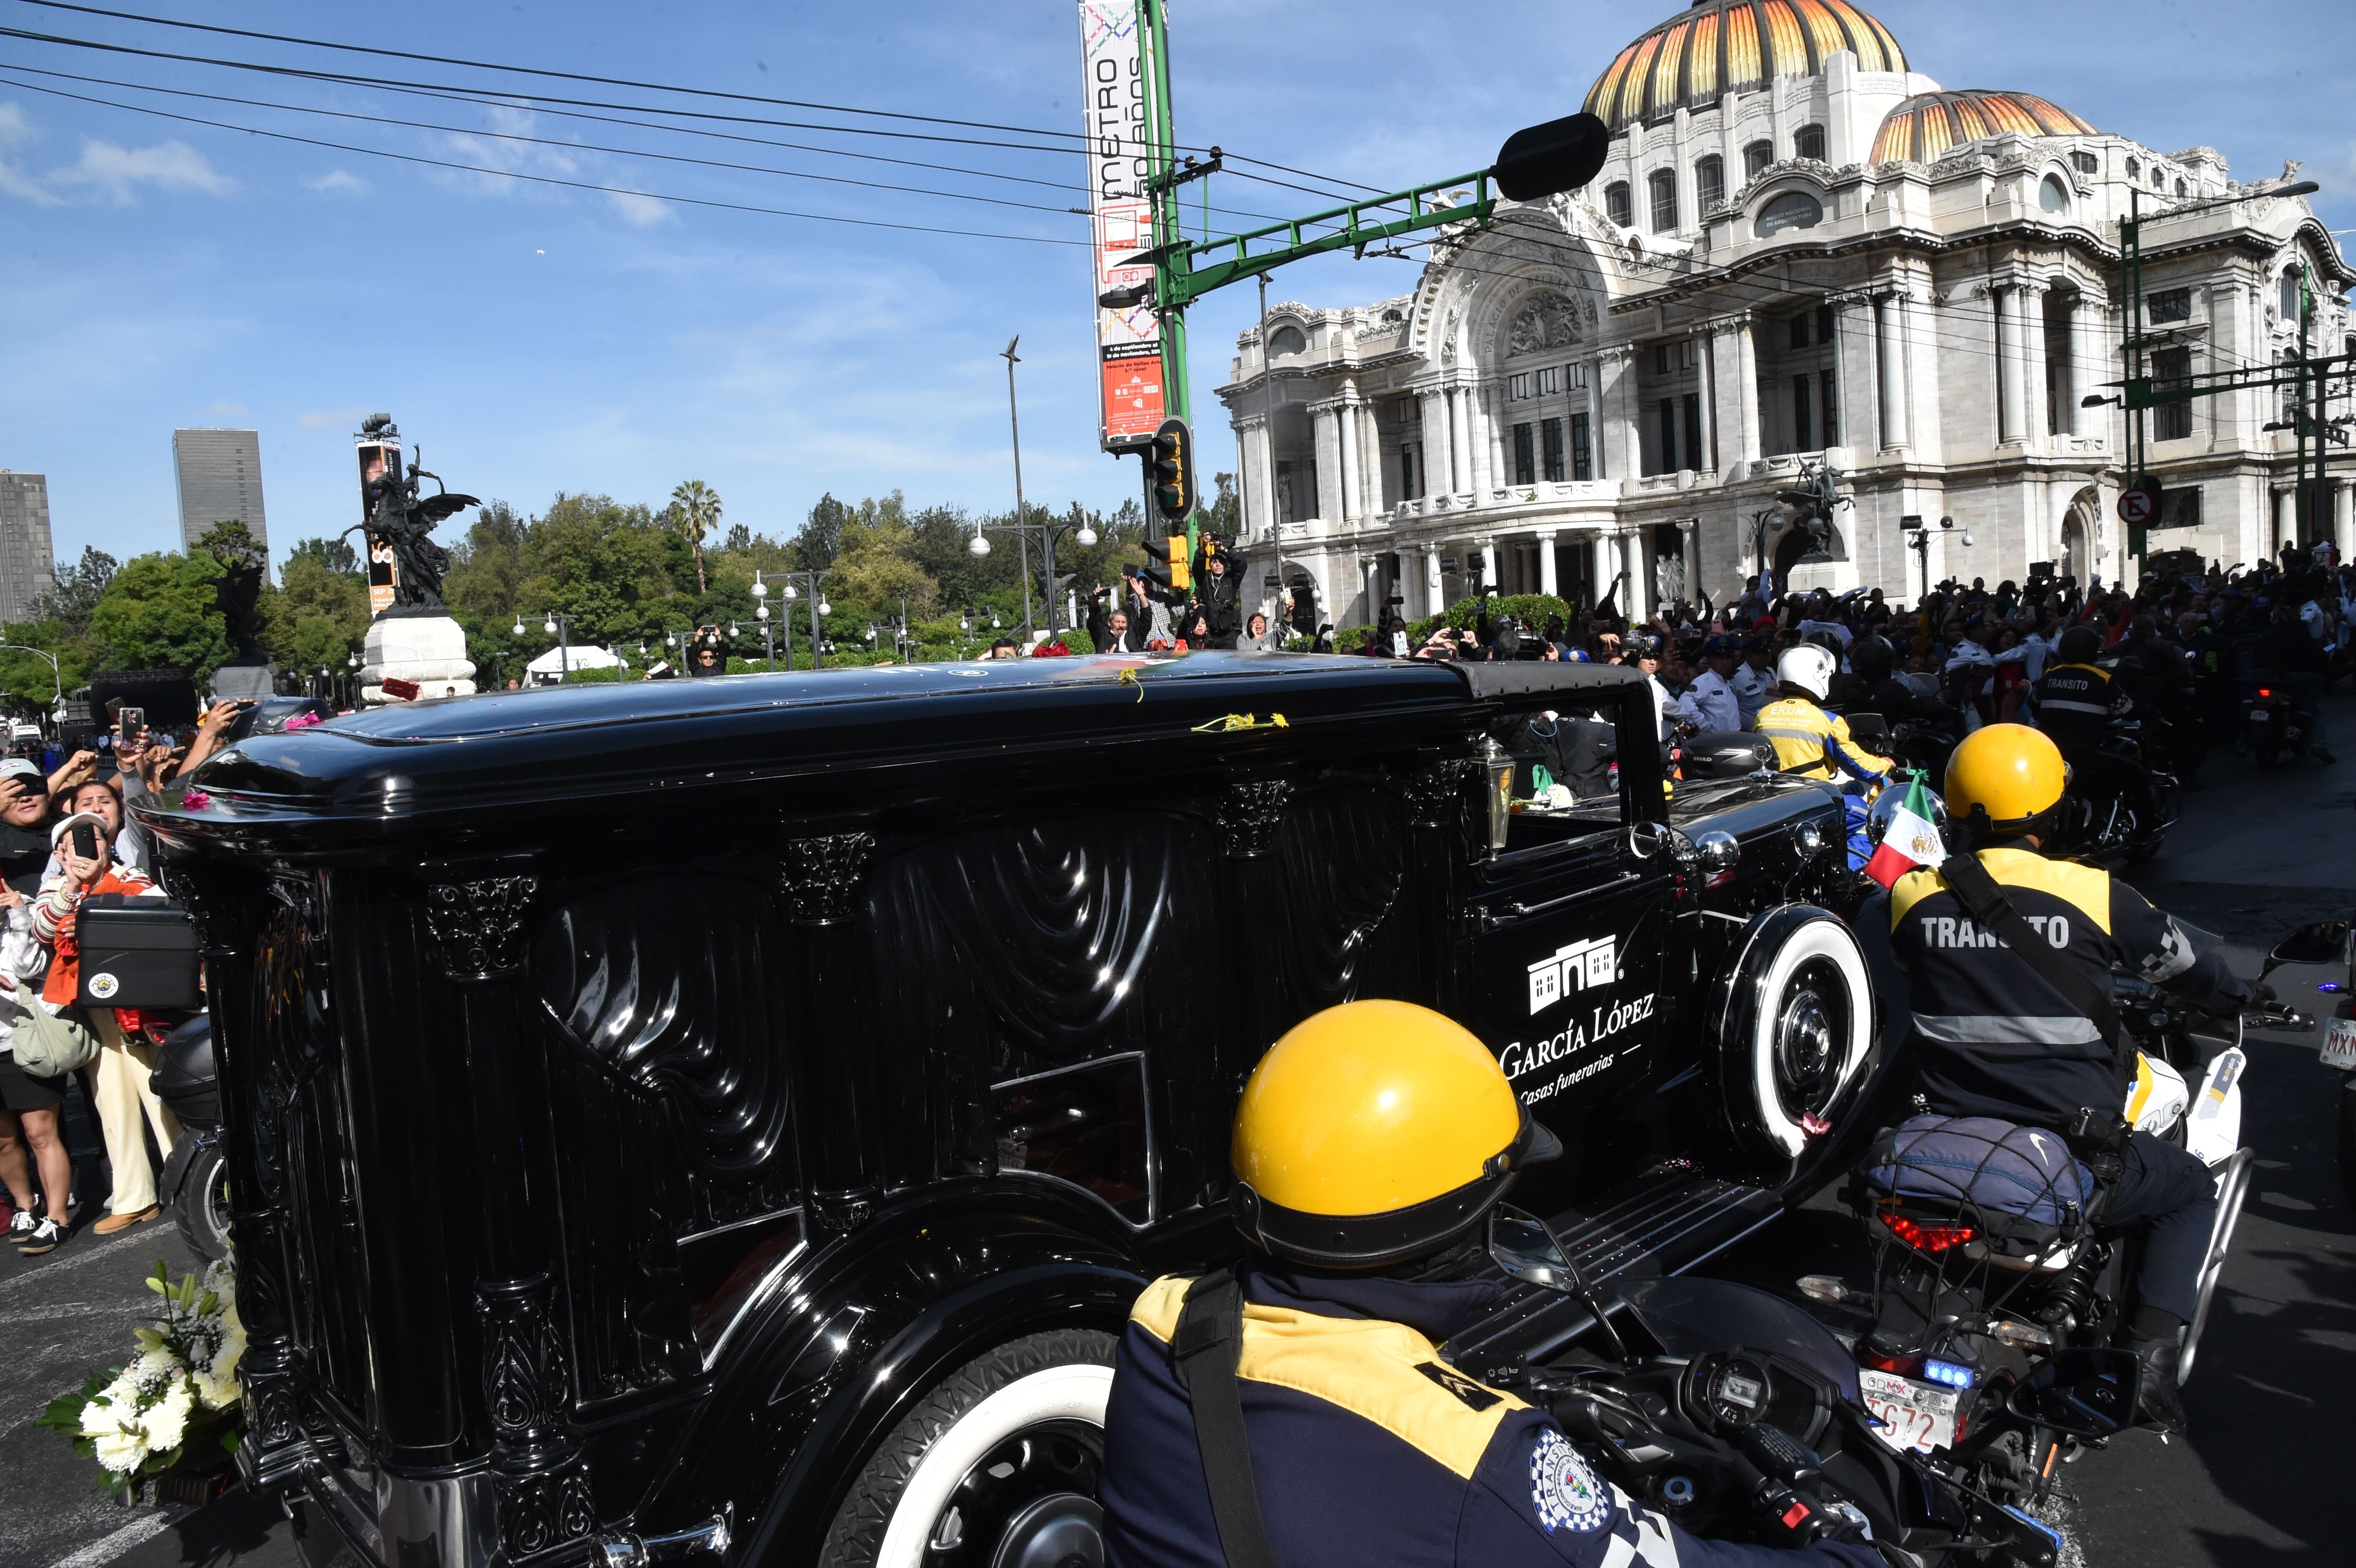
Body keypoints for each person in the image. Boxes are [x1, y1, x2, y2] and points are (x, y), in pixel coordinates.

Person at [1099, 999, 1881, 1568]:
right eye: (1498, 1210)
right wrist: (1852, 1554)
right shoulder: (1484, 1460)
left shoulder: (1159, 1325)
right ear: (1452, 1227)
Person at [1887, 726, 2249, 1434]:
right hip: (2071, 1154)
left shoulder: (1910, 897)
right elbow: (2189, 968)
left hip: (1943, 1135)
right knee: (2188, 1189)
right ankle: (2145, 1366)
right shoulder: (2097, 893)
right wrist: (2237, 997)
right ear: (2057, 809)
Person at [31, 789, 177, 1236]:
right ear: (59, 852)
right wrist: (75, 887)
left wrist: (102, 887)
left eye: (92, 837)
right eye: (73, 840)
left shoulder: (129, 875)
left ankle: (192, 1181)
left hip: (140, 1006)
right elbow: (42, 930)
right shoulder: (55, 887)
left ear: (107, 843)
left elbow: (158, 912)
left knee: (162, 1098)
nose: (84, 847)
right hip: (93, 1013)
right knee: (110, 1104)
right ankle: (136, 1198)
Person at [1753, 645, 1892, 784]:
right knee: (1858, 804)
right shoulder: (1827, 721)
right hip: (1814, 796)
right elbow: (1860, 768)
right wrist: (1885, 764)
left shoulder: (1763, 715)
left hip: (1774, 794)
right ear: (1818, 675)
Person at [1667, 636, 1742, 732]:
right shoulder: (1704, 681)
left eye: (1728, 658)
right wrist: (1703, 725)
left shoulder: (1728, 684)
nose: (1725, 662)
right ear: (1709, 661)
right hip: (1714, 742)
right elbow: (1685, 701)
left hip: (1732, 739)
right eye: (1719, 658)